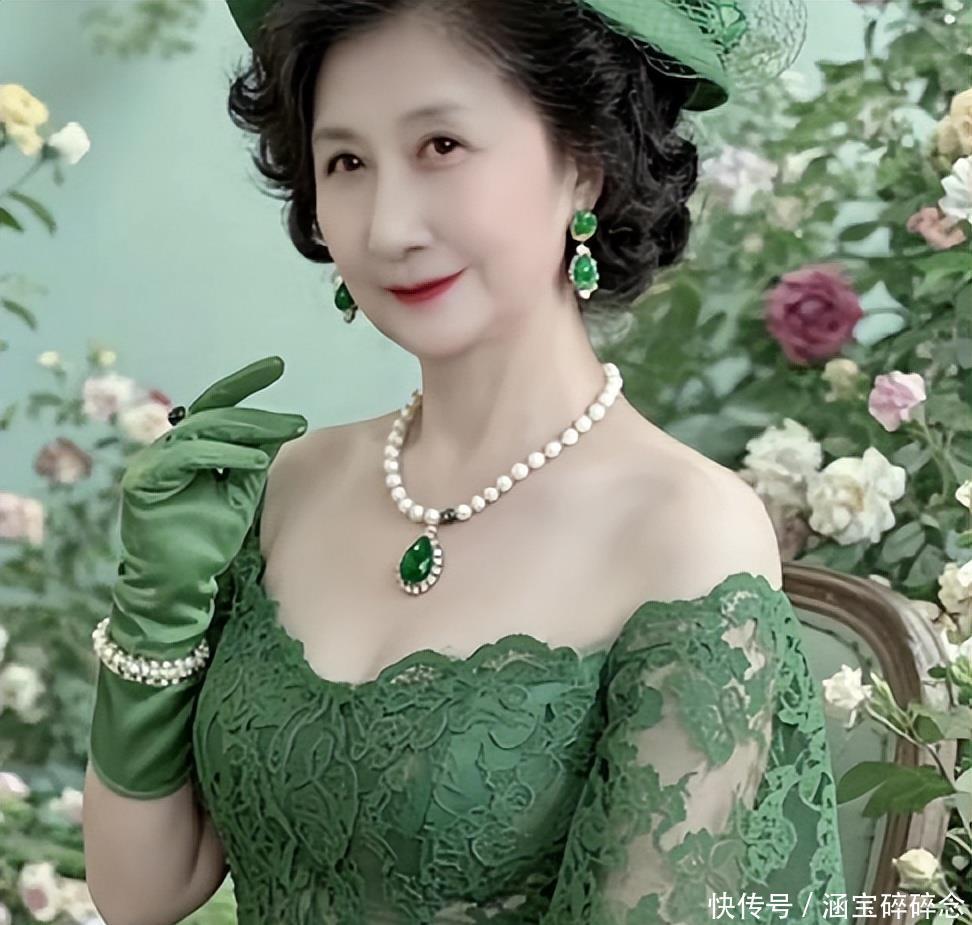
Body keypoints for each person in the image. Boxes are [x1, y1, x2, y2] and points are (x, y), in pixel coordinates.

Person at [82, 1, 850, 923]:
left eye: (441, 146)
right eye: (347, 163)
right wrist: (155, 615)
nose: (388, 227)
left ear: (587, 163)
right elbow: (140, 893)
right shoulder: (289, 485)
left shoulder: (684, 531)